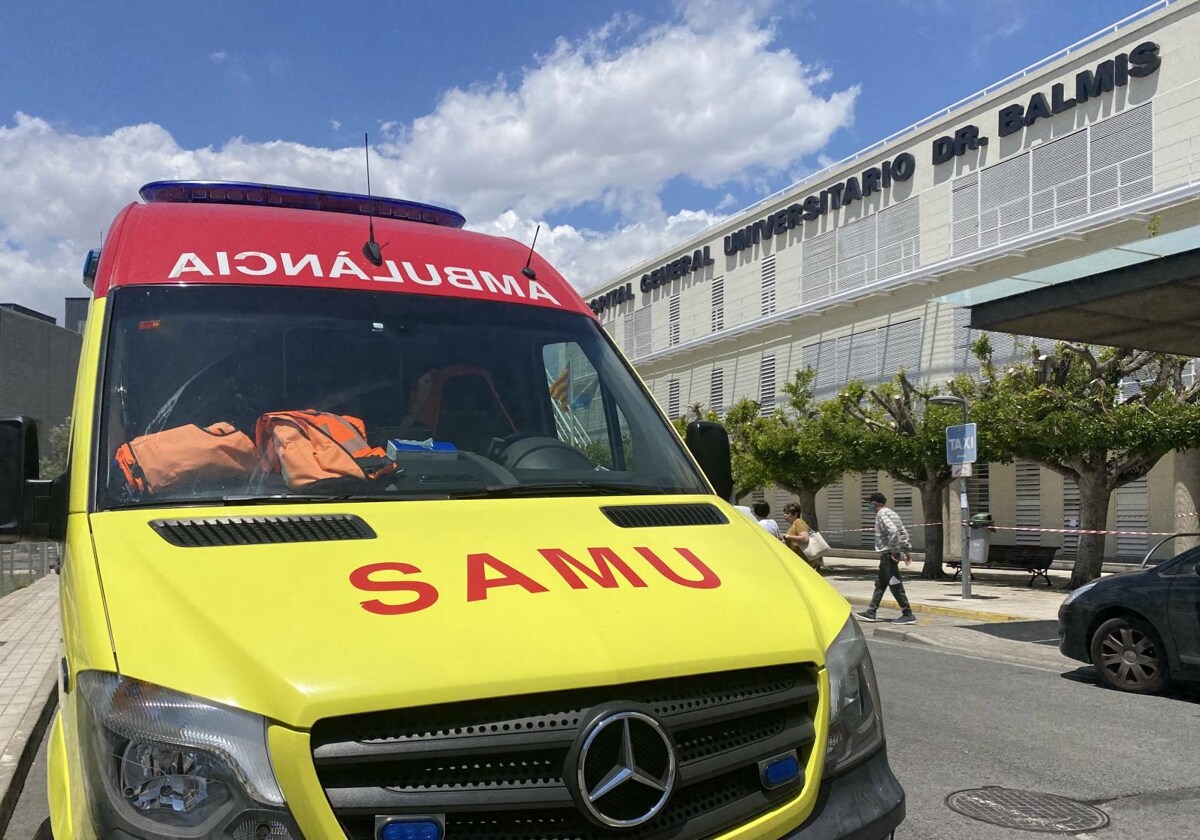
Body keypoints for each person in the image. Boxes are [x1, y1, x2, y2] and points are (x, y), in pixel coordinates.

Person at [857, 492, 916, 624]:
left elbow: (893, 531)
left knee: (895, 583)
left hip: (888, 554)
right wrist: (906, 551)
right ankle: (871, 612)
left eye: (869, 503)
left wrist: (895, 552)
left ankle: (907, 613)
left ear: (874, 503)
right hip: (889, 553)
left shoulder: (881, 514)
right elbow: (903, 532)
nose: (869, 506)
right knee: (881, 583)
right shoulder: (892, 513)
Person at [783, 502, 823, 572]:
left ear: (795, 514)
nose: (785, 515)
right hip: (799, 561)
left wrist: (787, 536)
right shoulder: (793, 524)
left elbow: (805, 538)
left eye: (787, 513)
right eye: (785, 513)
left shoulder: (798, 522)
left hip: (803, 562)